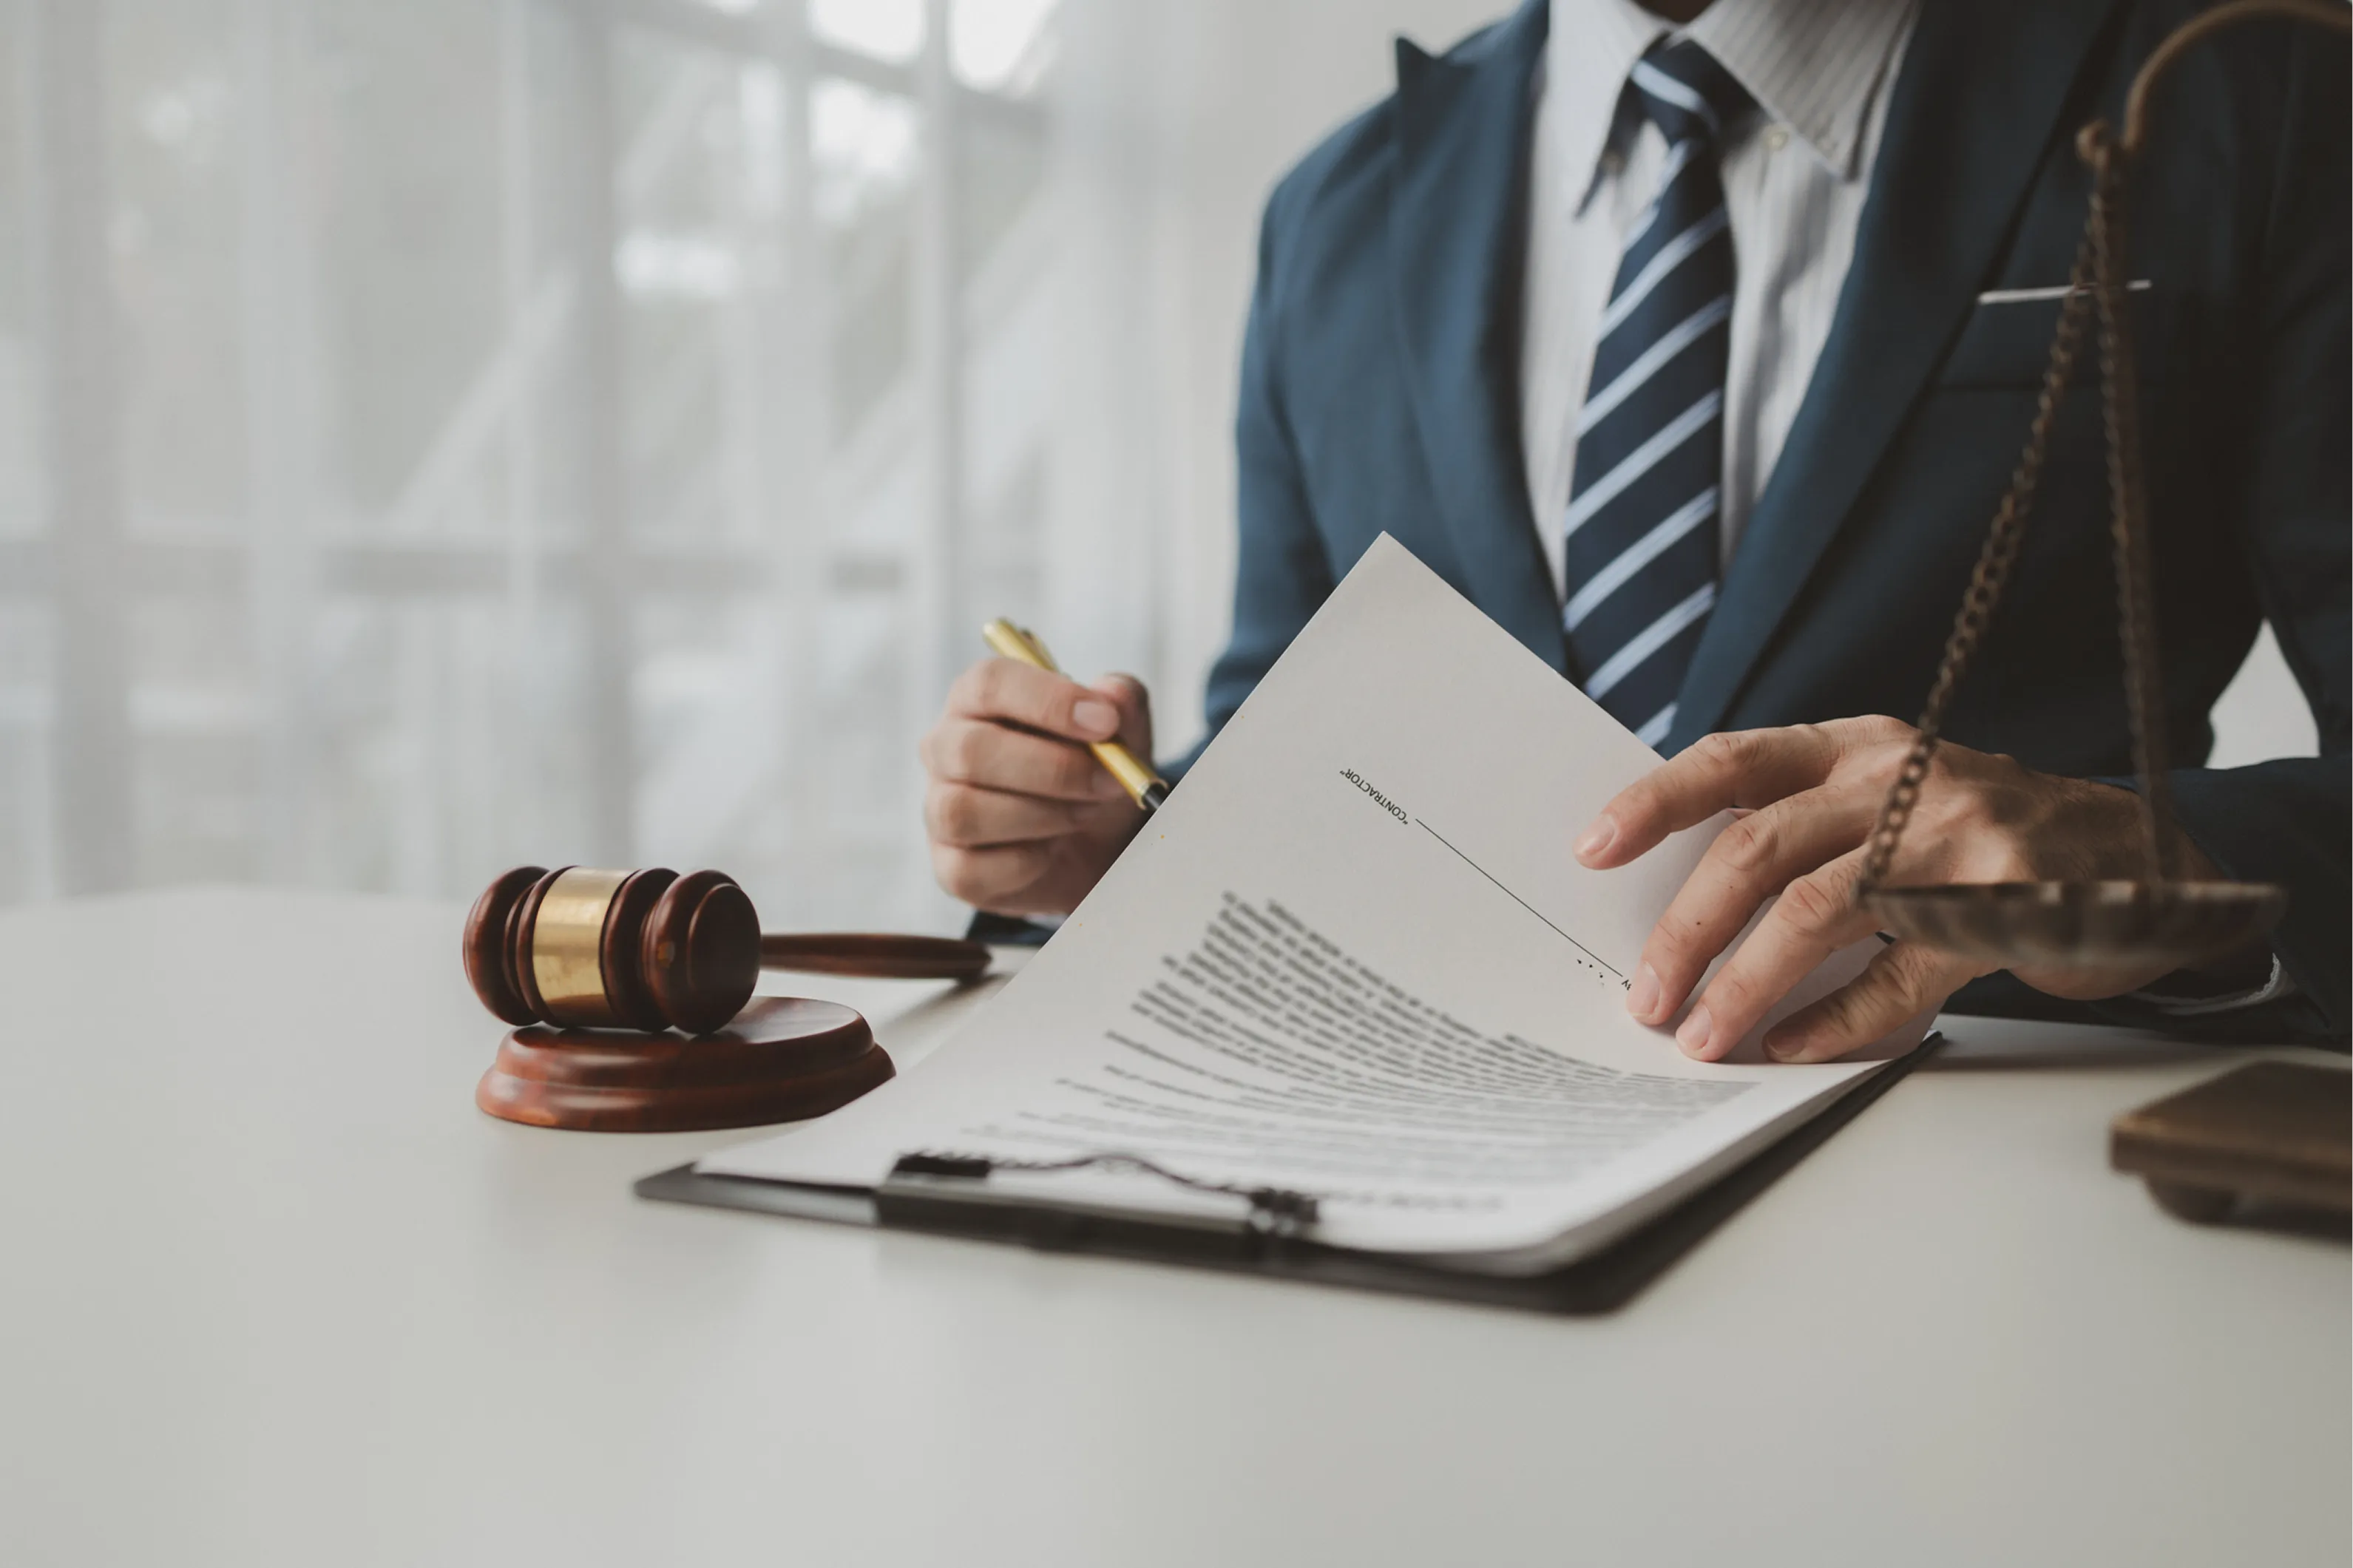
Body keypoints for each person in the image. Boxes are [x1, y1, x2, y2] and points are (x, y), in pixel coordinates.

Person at [920, 0, 2353, 1058]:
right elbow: (1291, 757)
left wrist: (2159, 858)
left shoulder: (2247, 100)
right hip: (1422, 1192)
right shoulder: (1329, 216)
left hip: (2007, 1192)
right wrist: (1119, 845)